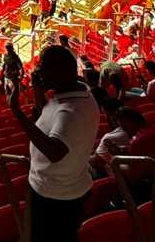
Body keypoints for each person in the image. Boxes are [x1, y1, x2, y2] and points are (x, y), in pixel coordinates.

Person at [9, 45, 99, 242]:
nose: (38, 73)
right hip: (64, 187)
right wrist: (37, 88)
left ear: (61, 72)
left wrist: (17, 111)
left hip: (56, 196)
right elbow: (47, 115)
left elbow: (55, 152)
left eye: (43, 69)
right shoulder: (75, 91)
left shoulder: (71, 112)